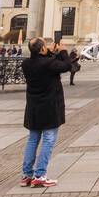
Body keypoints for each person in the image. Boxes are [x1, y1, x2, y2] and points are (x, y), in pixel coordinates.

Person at [21, 37, 72, 187]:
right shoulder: (48, 63)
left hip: (33, 107)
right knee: (49, 139)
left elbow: (46, 63)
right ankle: (40, 175)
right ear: (42, 49)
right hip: (49, 107)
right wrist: (62, 51)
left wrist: (51, 53)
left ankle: (26, 175)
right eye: (45, 45)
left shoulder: (26, 64)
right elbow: (67, 65)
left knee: (32, 140)